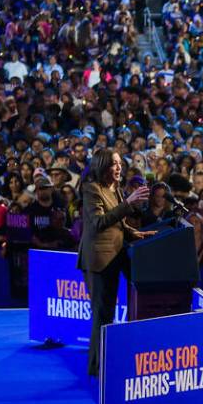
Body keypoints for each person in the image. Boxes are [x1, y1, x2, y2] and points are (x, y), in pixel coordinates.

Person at [77, 148, 152, 376]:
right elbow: (100, 222)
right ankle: (97, 368)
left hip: (117, 255)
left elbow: (117, 224)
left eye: (120, 163)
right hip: (99, 259)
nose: (119, 167)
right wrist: (128, 203)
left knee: (106, 314)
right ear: (102, 166)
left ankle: (101, 363)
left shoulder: (115, 188)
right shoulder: (91, 189)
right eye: (114, 164)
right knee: (102, 314)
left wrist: (134, 233)